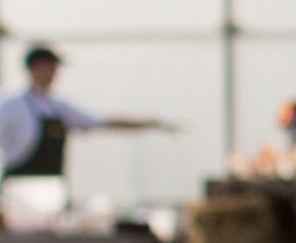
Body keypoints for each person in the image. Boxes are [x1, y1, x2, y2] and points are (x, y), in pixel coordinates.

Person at [0, 46, 174, 181]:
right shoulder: (11, 103)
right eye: (51, 67)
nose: (55, 73)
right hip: (18, 186)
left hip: (52, 186)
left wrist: (149, 123)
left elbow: (102, 121)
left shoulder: (58, 107)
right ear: (36, 67)